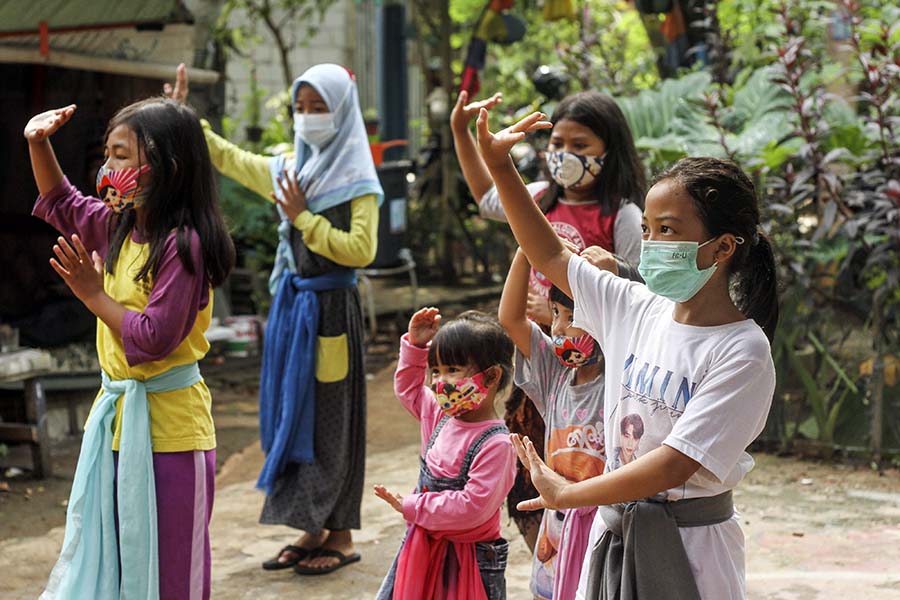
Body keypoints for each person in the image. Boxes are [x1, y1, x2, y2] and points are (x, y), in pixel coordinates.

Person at [477, 107, 778, 600]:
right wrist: (500, 166)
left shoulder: (742, 351)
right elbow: (549, 254)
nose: (653, 244)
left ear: (722, 247)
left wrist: (570, 494)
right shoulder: (635, 306)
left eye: (669, 230)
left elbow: (673, 464)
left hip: (690, 548)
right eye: (648, 231)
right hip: (611, 532)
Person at [165, 63, 381, 574]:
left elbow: (362, 249)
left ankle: (342, 534)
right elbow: (230, 158)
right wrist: (183, 117)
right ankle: (311, 529)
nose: (307, 118)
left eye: (318, 108)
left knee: (332, 422)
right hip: (292, 310)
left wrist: (304, 217)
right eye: (300, 109)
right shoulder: (289, 167)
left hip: (330, 313)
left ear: (342, 110)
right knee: (294, 414)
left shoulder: (358, 180)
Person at [25, 98, 235, 599]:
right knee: (123, 568)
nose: (108, 169)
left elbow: (151, 337)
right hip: (119, 427)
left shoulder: (184, 246)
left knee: (171, 575)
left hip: (173, 435)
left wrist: (93, 295)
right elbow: (62, 201)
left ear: (167, 167)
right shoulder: (119, 227)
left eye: (122, 156)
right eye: (108, 155)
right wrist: (38, 142)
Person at [452, 90, 645, 552]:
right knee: (532, 468)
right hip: (541, 356)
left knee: (589, 464)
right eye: (557, 142)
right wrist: (461, 131)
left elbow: (637, 290)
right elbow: (485, 198)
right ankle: (554, 553)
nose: (566, 155)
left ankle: (587, 545)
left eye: (581, 145)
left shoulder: (623, 216)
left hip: (594, 364)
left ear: (609, 151)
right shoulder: (536, 197)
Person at [373, 308, 517, 600]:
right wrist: (415, 347)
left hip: (470, 561)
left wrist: (414, 506)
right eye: (435, 371)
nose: (440, 382)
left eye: (453, 370)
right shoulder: (439, 414)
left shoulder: (497, 444)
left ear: (490, 376)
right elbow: (409, 389)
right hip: (422, 547)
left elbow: (472, 506)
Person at [498, 249, 608, 600]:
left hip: (604, 530)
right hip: (556, 534)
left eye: (572, 316)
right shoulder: (556, 377)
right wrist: (527, 253)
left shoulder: (623, 379)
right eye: (557, 313)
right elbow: (512, 319)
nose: (558, 326)